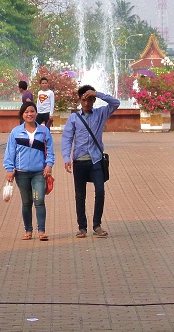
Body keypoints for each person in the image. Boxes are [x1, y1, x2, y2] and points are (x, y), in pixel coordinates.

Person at [61, 85, 119, 238]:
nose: (87, 103)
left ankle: (97, 224)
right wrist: (66, 157)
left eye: (90, 99)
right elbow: (67, 138)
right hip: (79, 161)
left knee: (100, 191)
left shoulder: (100, 113)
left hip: (96, 161)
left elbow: (116, 103)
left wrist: (98, 94)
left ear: (94, 100)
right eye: (84, 100)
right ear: (80, 100)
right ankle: (82, 227)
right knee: (80, 195)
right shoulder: (74, 118)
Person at [4, 102, 55, 241]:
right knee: (26, 203)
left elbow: (50, 150)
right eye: (26, 112)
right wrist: (9, 169)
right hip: (21, 173)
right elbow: (10, 152)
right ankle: (28, 231)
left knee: (39, 201)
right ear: (22, 115)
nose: (29, 114)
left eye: (32, 111)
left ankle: (41, 231)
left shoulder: (44, 131)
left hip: (39, 172)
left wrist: (49, 165)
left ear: (36, 113)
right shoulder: (16, 132)